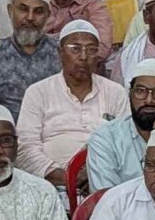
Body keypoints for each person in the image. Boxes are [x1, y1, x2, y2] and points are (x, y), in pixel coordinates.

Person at [17, 20, 123, 181]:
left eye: (91, 50)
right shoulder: (38, 92)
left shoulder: (115, 92)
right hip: (51, 183)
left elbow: (126, 144)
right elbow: (26, 148)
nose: (84, 57)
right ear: (60, 53)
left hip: (107, 180)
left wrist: (98, 175)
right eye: (75, 49)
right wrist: (67, 178)